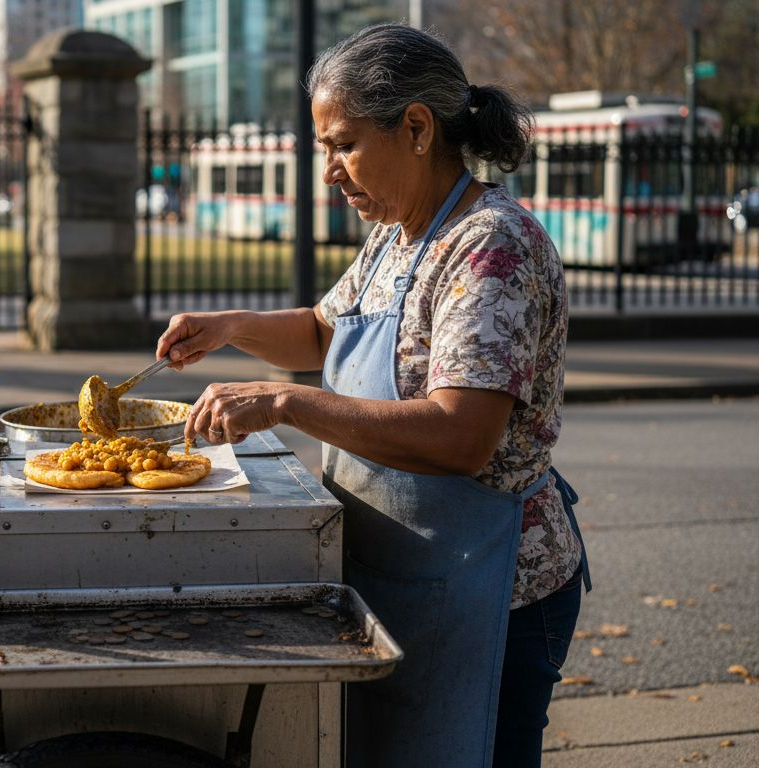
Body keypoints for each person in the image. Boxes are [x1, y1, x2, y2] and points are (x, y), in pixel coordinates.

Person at [154, 23, 590, 768]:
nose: (329, 170)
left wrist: (284, 404)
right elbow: (326, 334)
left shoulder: (492, 246)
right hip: (397, 575)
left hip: (494, 594)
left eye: (342, 144)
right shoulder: (396, 234)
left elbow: (460, 436)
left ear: (416, 128)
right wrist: (231, 327)